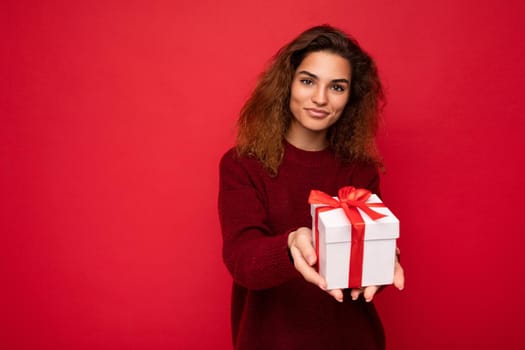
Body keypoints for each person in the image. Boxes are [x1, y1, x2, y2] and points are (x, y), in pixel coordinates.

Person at [218, 25, 405, 350]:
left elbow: (363, 275)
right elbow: (242, 260)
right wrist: (292, 245)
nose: (320, 98)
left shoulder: (360, 170)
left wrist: (382, 258)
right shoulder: (241, 164)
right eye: (308, 81)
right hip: (270, 340)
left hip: (352, 339)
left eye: (337, 87)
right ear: (287, 84)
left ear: (351, 98)